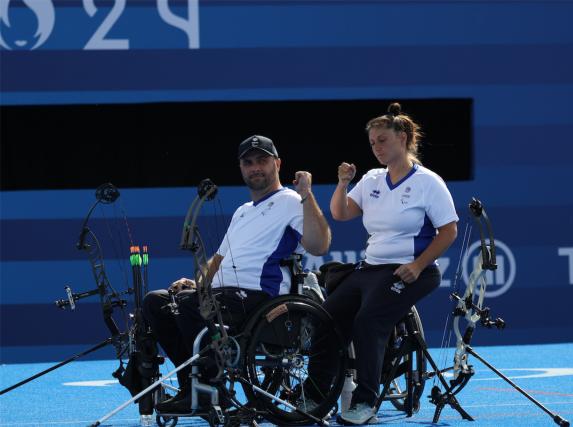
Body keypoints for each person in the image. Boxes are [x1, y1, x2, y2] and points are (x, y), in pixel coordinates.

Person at [143, 135, 331, 413]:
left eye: (263, 161)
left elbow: (320, 244)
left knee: (191, 305)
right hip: (222, 296)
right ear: (241, 168)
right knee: (157, 302)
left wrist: (307, 194)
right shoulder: (242, 212)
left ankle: (208, 389)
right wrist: (197, 283)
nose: (256, 167)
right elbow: (219, 259)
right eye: (248, 162)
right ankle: (192, 386)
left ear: (277, 163)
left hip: (261, 298)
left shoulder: (292, 200)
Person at [309, 103, 458, 425]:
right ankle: (314, 396)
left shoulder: (428, 182)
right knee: (326, 319)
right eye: (373, 142)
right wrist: (342, 183)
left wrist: (417, 266)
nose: (376, 148)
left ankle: (365, 404)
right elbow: (342, 213)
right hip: (370, 268)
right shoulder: (373, 178)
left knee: (368, 322)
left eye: (383, 140)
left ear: (402, 138)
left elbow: (449, 231)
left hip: (410, 271)